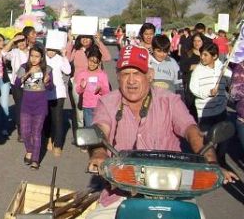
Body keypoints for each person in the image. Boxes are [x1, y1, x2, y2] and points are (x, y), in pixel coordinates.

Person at [85, 45, 238, 219]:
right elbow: (99, 130)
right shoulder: (107, 102)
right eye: (125, 74)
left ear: (149, 75)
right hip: (120, 192)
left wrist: (211, 161)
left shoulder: (170, 100)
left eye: (137, 73)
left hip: (174, 192)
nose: (131, 80)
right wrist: (98, 154)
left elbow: (191, 130)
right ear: (118, 77)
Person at [189, 42, 232, 165]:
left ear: (214, 56)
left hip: (221, 110)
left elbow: (229, 83)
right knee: (206, 142)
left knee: (224, 138)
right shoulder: (198, 70)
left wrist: (228, 78)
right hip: (205, 113)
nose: (202, 57)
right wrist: (208, 93)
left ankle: (221, 160)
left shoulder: (223, 68)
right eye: (202, 54)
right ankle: (209, 164)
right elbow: (193, 89)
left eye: (205, 55)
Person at [14, 45, 53, 170]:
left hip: (40, 105)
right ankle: (29, 150)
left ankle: (35, 160)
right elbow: (16, 83)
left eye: (37, 56)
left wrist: (47, 82)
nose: (34, 59)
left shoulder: (47, 69)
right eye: (32, 56)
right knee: (25, 133)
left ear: (42, 57)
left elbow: (51, 87)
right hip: (26, 105)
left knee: (36, 133)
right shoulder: (24, 67)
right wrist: (27, 74)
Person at [66, 32, 111, 138]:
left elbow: (108, 57)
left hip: (95, 85)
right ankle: (83, 137)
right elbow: (67, 58)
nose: (85, 39)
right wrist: (70, 41)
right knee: (80, 112)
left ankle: (96, 136)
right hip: (79, 83)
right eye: (82, 37)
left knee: (95, 112)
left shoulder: (95, 50)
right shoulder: (76, 50)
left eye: (87, 37)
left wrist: (99, 41)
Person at [45, 39, 71, 156]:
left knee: (58, 119)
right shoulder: (42, 59)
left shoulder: (60, 59)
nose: (50, 52)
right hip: (43, 93)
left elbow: (68, 70)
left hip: (58, 93)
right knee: (47, 118)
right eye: (48, 49)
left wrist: (64, 56)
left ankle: (58, 144)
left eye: (52, 50)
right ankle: (49, 138)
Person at [74, 48, 110, 127]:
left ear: (99, 63)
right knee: (90, 128)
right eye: (90, 61)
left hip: (99, 106)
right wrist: (82, 87)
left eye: (95, 62)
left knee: (99, 128)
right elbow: (78, 91)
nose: (92, 64)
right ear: (87, 60)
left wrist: (100, 89)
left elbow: (107, 92)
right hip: (87, 106)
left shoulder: (102, 75)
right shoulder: (82, 74)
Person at [179, 32, 205, 119]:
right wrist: (193, 67)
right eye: (195, 41)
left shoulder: (206, 54)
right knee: (192, 109)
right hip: (190, 85)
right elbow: (182, 67)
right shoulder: (188, 53)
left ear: (203, 42)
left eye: (199, 41)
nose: (197, 43)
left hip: (203, 85)